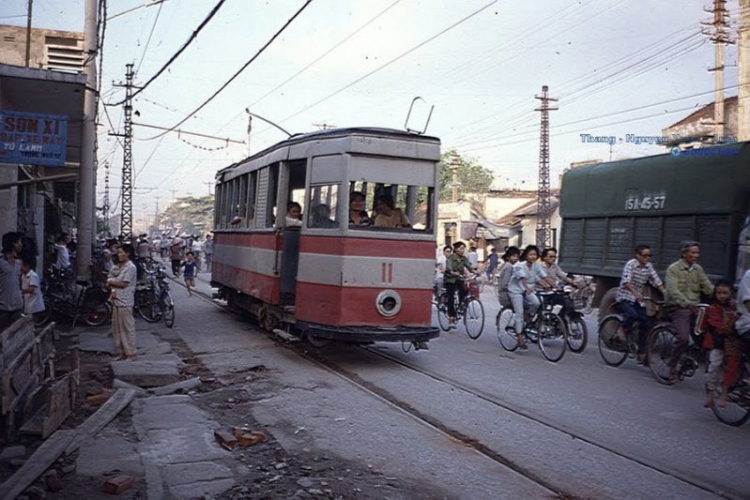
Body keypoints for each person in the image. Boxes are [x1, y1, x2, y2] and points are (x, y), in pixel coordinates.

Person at [665, 241, 714, 384]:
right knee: (683, 338)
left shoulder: (697, 269)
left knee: (709, 336)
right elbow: (673, 290)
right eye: (692, 253)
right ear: (684, 254)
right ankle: (671, 367)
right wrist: (686, 303)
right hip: (678, 307)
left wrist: (722, 296)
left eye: (697, 253)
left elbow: (707, 286)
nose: (696, 256)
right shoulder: (673, 269)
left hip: (696, 307)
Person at [614, 244, 666, 364]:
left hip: (639, 299)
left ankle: (641, 351)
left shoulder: (648, 267)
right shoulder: (630, 265)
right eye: (644, 256)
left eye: (649, 256)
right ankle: (622, 329)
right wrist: (635, 292)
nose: (647, 258)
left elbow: (656, 280)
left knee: (646, 323)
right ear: (637, 256)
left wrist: (665, 293)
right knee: (632, 315)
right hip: (625, 296)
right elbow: (626, 281)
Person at [701, 280, 737, 408]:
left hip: (732, 343)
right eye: (719, 293)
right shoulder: (713, 309)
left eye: (725, 293)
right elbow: (718, 325)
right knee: (714, 367)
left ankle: (724, 396)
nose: (722, 296)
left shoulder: (735, 307)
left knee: (731, 368)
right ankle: (710, 396)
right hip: (718, 343)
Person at [507, 245, 551, 349]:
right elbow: (522, 278)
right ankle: (519, 337)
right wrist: (526, 287)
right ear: (526, 256)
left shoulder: (537, 265)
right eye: (530, 254)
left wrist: (554, 285)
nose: (533, 257)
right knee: (519, 313)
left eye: (535, 254)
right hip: (516, 290)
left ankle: (528, 317)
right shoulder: (519, 266)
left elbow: (544, 277)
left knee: (537, 303)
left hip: (528, 290)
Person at [108, 244, 138, 361]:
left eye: (121, 252)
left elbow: (123, 283)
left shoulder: (131, 267)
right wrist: (112, 284)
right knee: (117, 328)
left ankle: (131, 353)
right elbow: (114, 280)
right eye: (118, 253)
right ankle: (121, 351)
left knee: (127, 328)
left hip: (126, 301)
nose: (119, 255)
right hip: (117, 301)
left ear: (128, 253)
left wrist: (111, 281)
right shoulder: (120, 267)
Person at [443, 241, 473, 328]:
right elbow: (449, 267)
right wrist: (452, 272)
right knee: (451, 298)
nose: (463, 250)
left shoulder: (464, 258)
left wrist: (475, 271)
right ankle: (451, 318)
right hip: (450, 279)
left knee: (464, 291)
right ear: (456, 249)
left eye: (464, 248)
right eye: (461, 248)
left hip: (459, 278)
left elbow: (469, 267)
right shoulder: (450, 258)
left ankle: (460, 307)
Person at [0, 232, 24, 330]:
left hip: (17, 307)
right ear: (13, 244)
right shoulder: (1, 263)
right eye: (19, 242)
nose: (21, 244)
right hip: (2, 308)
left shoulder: (19, 263)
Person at [20, 256, 45, 323]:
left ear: (27, 266)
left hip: (35, 306)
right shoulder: (23, 276)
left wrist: (20, 292)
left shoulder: (33, 275)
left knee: (32, 323)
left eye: (21, 265)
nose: (20, 267)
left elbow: (31, 289)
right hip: (28, 304)